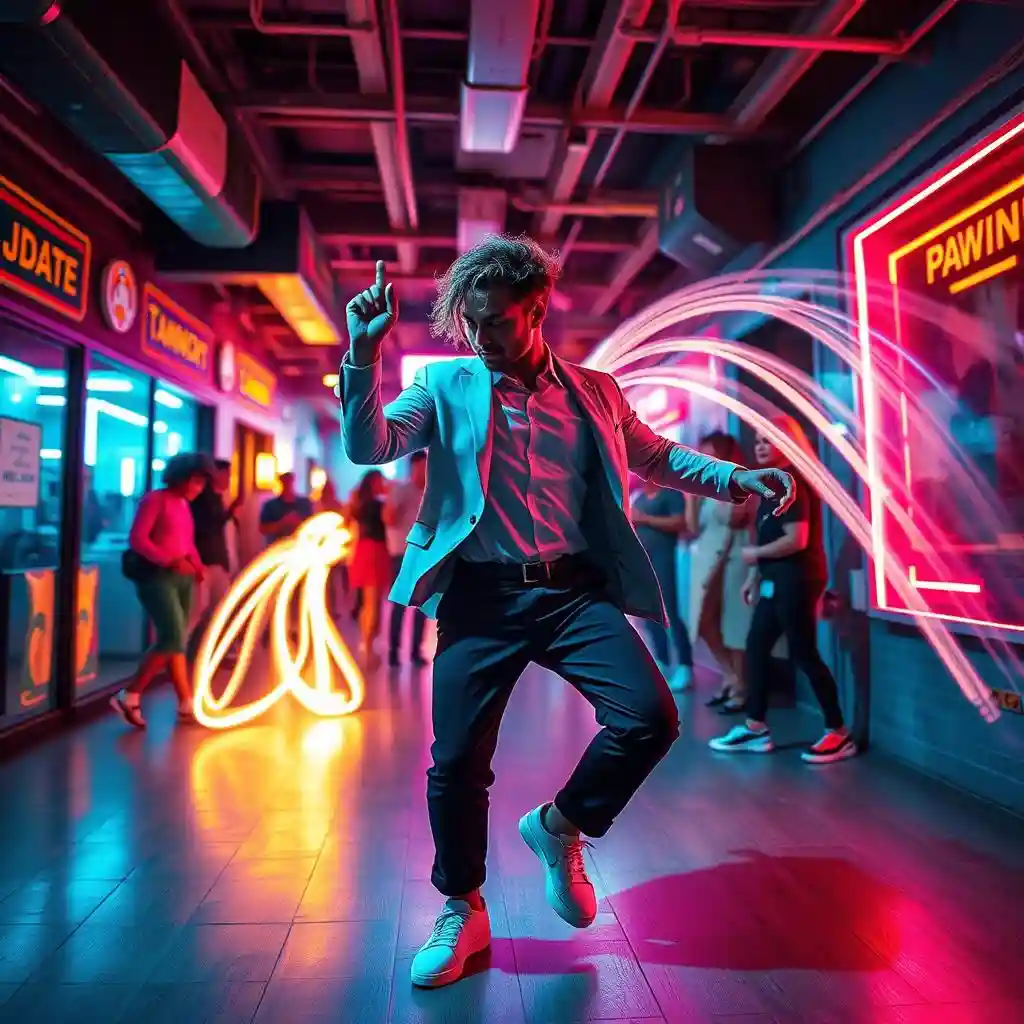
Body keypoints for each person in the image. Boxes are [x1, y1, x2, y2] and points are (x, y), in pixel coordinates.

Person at [336, 240, 793, 990]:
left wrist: (739, 476)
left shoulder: (594, 391)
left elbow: (658, 458)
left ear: (538, 309)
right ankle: (462, 907)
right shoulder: (446, 384)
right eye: (472, 322)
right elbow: (369, 445)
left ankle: (561, 827)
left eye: (498, 322)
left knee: (649, 717)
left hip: (572, 592)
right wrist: (363, 356)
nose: (483, 336)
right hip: (481, 596)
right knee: (455, 763)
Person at [709, 415, 856, 765]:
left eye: (767, 439)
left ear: (785, 443)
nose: (759, 445)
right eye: (757, 440)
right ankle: (756, 727)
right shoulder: (772, 486)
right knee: (756, 648)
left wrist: (753, 556)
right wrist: (755, 577)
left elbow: (797, 539)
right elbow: (773, 536)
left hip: (797, 581)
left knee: (803, 654)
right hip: (776, 580)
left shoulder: (792, 483)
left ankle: (838, 732)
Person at [110, 454, 209, 729]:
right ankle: (130, 694)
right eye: (196, 481)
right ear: (181, 477)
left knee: (177, 640)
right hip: (157, 577)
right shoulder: (156, 500)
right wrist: (169, 560)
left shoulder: (182, 504)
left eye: (202, 483)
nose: (198, 488)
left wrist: (197, 565)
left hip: (182, 577)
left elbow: (186, 542)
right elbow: (138, 539)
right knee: (172, 636)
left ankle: (186, 703)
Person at [686, 431, 756, 712]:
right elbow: (691, 527)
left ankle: (740, 686)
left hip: (736, 557)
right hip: (707, 561)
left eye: (709, 453)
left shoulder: (739, 482)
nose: (703, 459)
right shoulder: (702, 488)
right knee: (703, 621)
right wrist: (691, 495)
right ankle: (732, 676)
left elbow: (734, 517)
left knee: (735, 625)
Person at [631, 477, 693, 692]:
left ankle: (685, 665)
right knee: (650, 613)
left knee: (672, 613)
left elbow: (680, 522)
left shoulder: (671, 494)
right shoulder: (638, 498)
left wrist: (644, 519)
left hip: (666, 559)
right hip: (644, 562)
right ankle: (662, 661)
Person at [187, 458, 240, 657]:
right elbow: (206, 528)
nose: (228, 479)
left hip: (219, 562)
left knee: (221, 608)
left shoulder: (219, 499)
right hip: (205, 563)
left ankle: (211, 651)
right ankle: (179, 654)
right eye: (225, 475)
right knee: (198, 610)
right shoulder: (203, 501)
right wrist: (231, 511)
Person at [384, 451, 429, 666]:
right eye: (422, 466)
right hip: (402, 554)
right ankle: (394, 651)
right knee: (400, 605)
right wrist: (395, 508)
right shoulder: (401, 490)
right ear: (413, 467)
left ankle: (415, 651)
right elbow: (388, 519)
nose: (426, 471)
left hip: (424, 555)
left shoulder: (432, 494)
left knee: (422, 605)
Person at [347, 469, 393, 666]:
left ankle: (366, 644)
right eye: (380, 481)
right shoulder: (377, 505)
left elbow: (346, 521)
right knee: (374, 603)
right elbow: (390, 519)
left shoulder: (358, 504)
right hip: (375, 551)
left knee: (369, 603)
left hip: (363, 550)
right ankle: (368, 646)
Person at [259, 471, 313, 545]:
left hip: (299, 548)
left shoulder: (304, 504)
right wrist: (282, 523)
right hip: (277, 548)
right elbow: (263, 529)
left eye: (289, 481)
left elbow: (313, 526)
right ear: (280, 482)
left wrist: (298, 523)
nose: (287, 484)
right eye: (285, 481)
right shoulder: (270, 505)